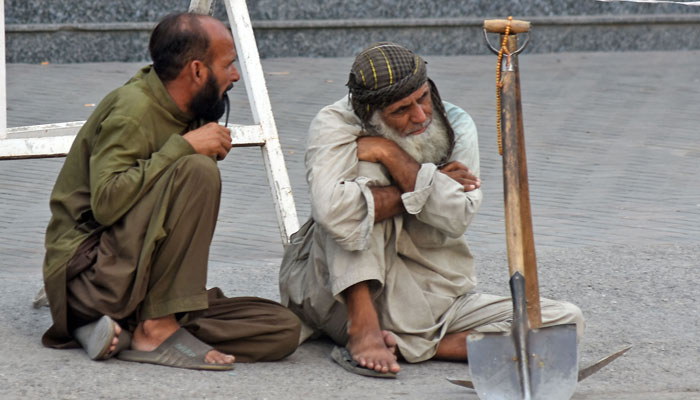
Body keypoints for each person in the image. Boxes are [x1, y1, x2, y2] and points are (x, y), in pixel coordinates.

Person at [279, 42, 583, 378]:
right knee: (360, 193)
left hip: (432, 298)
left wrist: (390, 155)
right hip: (340, 295)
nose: (420, 116)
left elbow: (457, 217)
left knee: (565, 322)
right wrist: (429, 183)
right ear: (370, 113)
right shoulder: (334, 123)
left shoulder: (455, 122)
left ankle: (424, 345)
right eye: (401, 110)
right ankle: (363, 330)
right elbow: (334, 213)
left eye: (422, 98)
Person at [41, 12, 300, 371]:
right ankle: (153, 328)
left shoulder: (190, 106)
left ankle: (129, 330)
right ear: (197, 71)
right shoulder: (133, 109)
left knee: (283, 328)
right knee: (197, 170)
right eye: (228, 65)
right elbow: (105, 204)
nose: (235, 75)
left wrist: (190, 146)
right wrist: (184, 148)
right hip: (91, 277)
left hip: (136, 281)